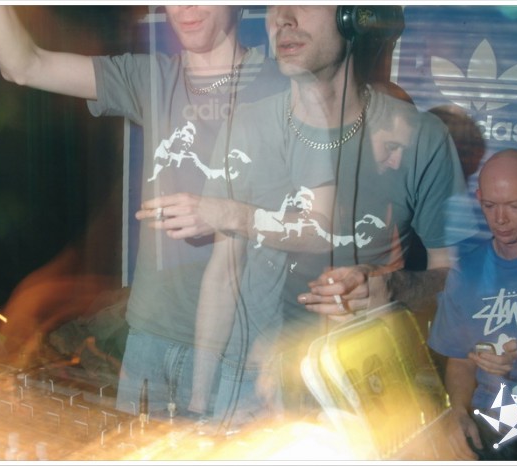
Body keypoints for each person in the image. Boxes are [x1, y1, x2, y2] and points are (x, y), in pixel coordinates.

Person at [137, 5, 466, 428]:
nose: (283, 18)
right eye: (274, 5)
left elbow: (454, 277)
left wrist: (392, 287)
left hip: (366, 383)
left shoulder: (419, 138)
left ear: (353, 16)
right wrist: (200, 403)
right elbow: (223, 273)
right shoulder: (246, 126)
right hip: (254, 381)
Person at [0, 5, 288, 419]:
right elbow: (23, 65)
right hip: (148, 342)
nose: (186, 7)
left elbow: (319, 226)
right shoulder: (151, 77)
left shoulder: (285, 86)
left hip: (238, 350)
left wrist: (228, 214)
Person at [428, 149, 517, 461]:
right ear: (479, 198)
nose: (500, 219)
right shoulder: (466, 271)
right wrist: (458, 412)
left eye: (514, 205)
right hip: (491, 420)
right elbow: (460, 360)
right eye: (490, 206)